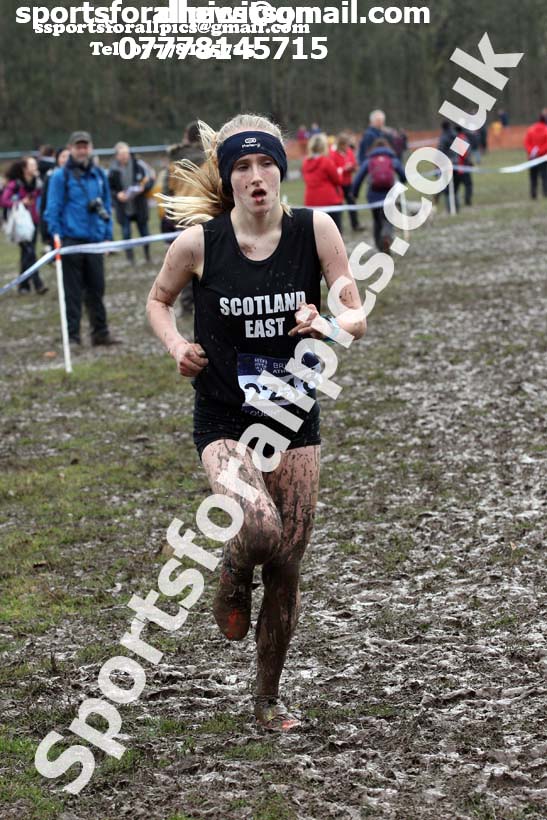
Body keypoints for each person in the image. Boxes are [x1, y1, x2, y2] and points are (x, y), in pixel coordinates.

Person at [146, 113, 365, 731]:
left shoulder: (315, 229)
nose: (256, 176)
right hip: (223, 418)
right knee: (261, 531)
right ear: (230, 179)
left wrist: (325, 324)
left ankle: (267, 702)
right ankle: (234, 570)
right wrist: (176, 346)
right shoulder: (199, 244)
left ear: (281, 170)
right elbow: (157, 300)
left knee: (289, 566)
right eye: (242, 166)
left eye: (266, 163)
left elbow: (356, 315)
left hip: (293, 417)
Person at [44, 130, 119, 347]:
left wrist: (107, 236)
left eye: (85, 146)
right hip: (71, 242)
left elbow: (106, 206)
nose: (82, 150)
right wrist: (56, 237)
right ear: (70, 148)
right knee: (73, 293)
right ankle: (73, 336)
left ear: (91, 148)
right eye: (78, 146)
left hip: (95, 241)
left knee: (97, 289)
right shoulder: (60, 176)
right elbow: (53, 208)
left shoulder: (99, 174)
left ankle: (100, 333)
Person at [162, 121, 206, 315]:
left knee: (186, 262)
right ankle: (205, 300)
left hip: (182, 216)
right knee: (208, 260)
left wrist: (168, 215)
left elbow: (167, 190)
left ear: (186, 137)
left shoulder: (175, 160)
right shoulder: (210, 159)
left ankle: (187, 303)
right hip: (206, 213)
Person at [0, 156, 48, 295]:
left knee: (27, 254)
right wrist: (21, 202)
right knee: (30, 252)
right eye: (32, 165)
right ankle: (38, 284)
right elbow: (4, 201)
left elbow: (41, 196)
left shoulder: (37, 183)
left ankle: (23, 285)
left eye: (35, 165)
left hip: (33, 222)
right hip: (19, 224)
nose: (35, 168)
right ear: (24, 169)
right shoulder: (15, 184)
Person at [352, 137, 406, 252]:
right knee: (388, 220)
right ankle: (386, 237)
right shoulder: (392, 159)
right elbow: (403, 175)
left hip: (373, 196)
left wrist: (355, 193)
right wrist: (401, 182)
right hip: (390, 195)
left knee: (377, 220)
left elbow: (358, 178)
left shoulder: (369, 160)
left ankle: (379, 245)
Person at [108, 141, 155, 265]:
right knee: (126, 233)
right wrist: (117, 194)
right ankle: (130, 259)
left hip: (139, 206)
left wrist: (143, 189)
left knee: (144, 232)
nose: (124, 156)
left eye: (126, 153)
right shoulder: (112, 170)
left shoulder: (139, 165)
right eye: (121, 154)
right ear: (117, 156)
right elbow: (110, 188)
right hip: (123, 208)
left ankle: (147, 256)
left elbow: (150, 181)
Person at [302, 133, 344, 233]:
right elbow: (337, 180)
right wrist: (340, 172)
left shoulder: (305, 162)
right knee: (335, 232)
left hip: (311, 202)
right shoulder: (326, 161)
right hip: (330, 201)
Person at [330, 132, 363, 231]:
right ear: (340, 144)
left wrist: (354, 167)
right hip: (338, 184)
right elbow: (333, 169)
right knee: (338, 206)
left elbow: (354, 162)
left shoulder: (349, 151)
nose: (347, 147)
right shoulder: (333, 154)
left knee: (352, 203)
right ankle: (337, 227)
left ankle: (355, 224)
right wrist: (344, 168)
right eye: (345, 144)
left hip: (349, 182)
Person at [40, 146, 70, 249]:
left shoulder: (78, 176)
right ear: (57, 159)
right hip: (57, 222)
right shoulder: (51, 176)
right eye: (63, 156)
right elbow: (45, 204)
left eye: (68, 156)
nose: (66, 159)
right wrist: (45, 229)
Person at [524, 115, 547, 200]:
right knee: (544, 176)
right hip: (543, 158)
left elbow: (526, 143)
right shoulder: (546, 130)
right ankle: (545, 192)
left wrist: (532, 152)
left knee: (533, 176)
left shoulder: (531, 129)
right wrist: (540, 152)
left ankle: (533, 193)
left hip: (532, 158)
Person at [453, 125, 474, 208]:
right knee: (468, 185)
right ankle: (467, 201)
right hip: (462, 167)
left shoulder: (453, 138)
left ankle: (454, 201)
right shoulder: (462, 138)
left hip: (455, 167)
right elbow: (464, 154)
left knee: (455, 186)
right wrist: (469, 161)